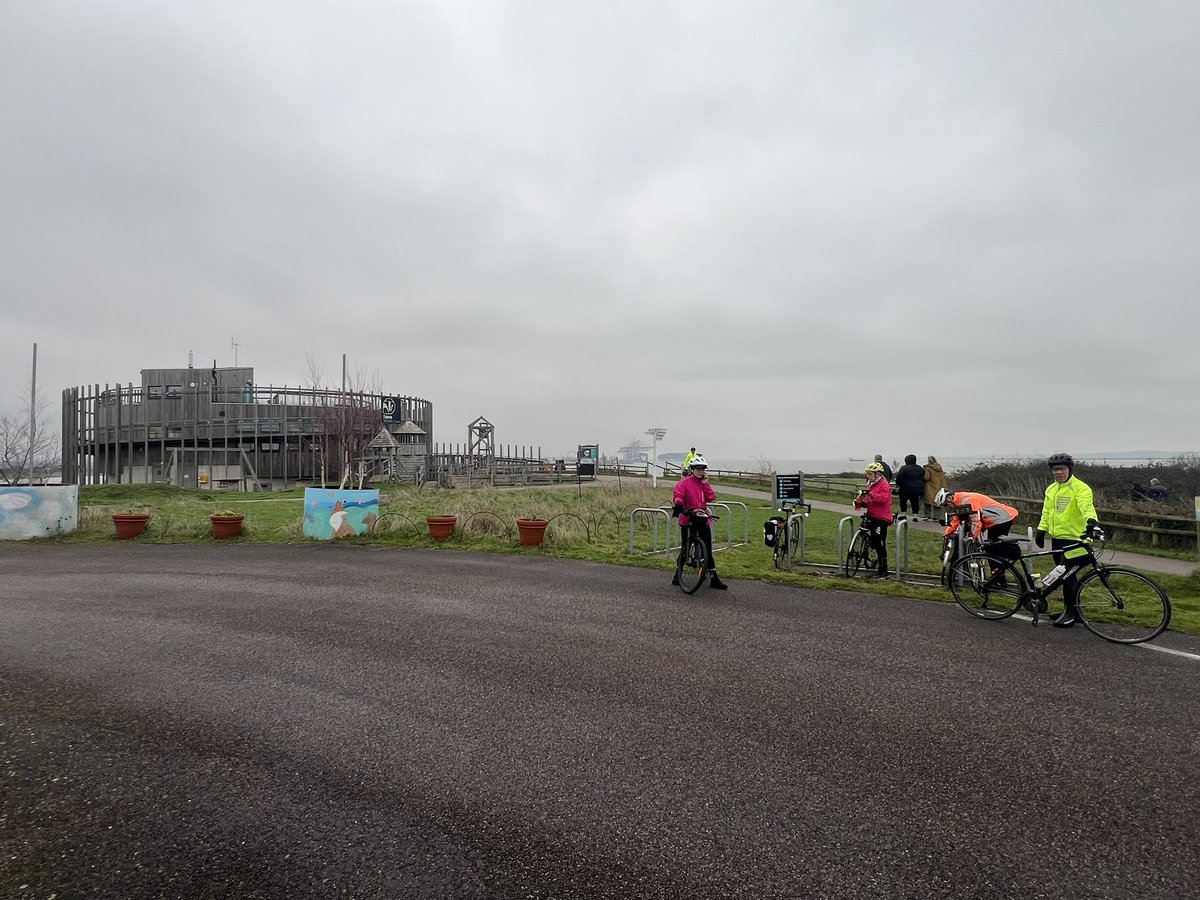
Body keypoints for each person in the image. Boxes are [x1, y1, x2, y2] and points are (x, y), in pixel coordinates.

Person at [1036, 452, 1102, 628]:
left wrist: (1092, 523)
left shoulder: (1081, 488)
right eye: (1055, 470)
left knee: (1069, 576)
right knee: (1065, 577)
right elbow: (1047, 512)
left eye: (1062, 469)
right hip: (1057, 538)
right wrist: (1041, 530)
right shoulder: (1051, 489)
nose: (1058, 473)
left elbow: (1086, 507)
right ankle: (1072, 610)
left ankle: (1071, 613)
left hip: (1075, 539)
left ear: (1069, 469)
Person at [671, 455, 728, 590]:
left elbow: (712, 498)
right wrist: (678, 504)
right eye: (698, 469)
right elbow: (678, 495)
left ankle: (713, 577)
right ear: (692, 469)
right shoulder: (684, 483)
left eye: (703, 469)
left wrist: (706, 484)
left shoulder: (703, 484)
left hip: (702, 518)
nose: (701, 471)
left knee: (707, 548)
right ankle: (677, 575)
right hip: (688, 519)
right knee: (686, 547)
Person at [936, 487, 1019, 547]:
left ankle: (998, 569)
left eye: (946, 505)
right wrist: (947, 534)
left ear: (950, 499)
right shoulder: (958, 502)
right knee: (992, 547)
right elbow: (956, 520)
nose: (947, 507)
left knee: (993, 548)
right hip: (996, 520)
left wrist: (972, 537)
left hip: (1001, 519)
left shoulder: (968, 500)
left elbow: (976, 521)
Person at [854, 461, 894, 578]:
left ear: (877, 474)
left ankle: (883, 570)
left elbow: (882, 499)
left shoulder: (884, 485)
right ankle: (868, 556)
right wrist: (861, 502)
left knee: (879, 543)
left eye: (870, 474)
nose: (868, 476)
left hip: (882, 518)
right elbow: (871, 501)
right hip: (872, 515)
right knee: (872, 541)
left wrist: (870, 494)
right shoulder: (871, 484)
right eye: (867, 474)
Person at [894, 454, 925, 520]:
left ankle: (903, 515)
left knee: (903, 501)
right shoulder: (919, 468)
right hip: (916, 488)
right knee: (915, 502)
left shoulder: (904, 468)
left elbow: (899, 477)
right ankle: (915, 516)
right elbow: (923, 478)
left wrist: (898, 484)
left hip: (905, 488)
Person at [922, 456, 947, 521]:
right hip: (938, 486)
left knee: (927, 501)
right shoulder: (939, 468)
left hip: (929, 487)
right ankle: (937, 516)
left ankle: (927, 516)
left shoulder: (927, 468)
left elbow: (927, 477)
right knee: (937, 501)